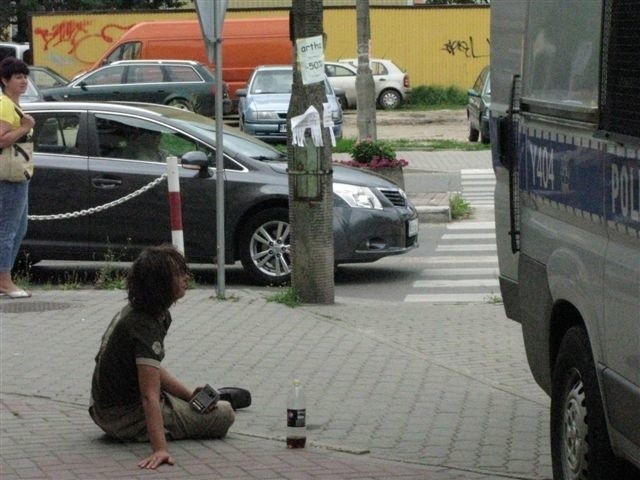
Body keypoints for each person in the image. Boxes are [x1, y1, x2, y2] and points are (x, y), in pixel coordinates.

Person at [89, 245, 249, 470]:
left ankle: (183, 408)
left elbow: (149, 370)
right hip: (122, 417)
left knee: (202, 403)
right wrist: (160, 449)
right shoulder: (144, 325)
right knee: (225, 414)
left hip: (103, 407)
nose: (185, 279)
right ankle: (160, 427)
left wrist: (187, 394)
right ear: (160, 284)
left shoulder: (139, 311)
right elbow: (149, 396)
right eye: (178, 275)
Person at [0, 57, 35, 298]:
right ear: (4, 80)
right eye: (17, 77)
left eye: (25, 76)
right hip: (9, 176)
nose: (23, 81)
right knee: (8, 229)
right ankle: (4, 280)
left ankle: (4, 276)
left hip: (20, 174)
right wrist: (24, 127)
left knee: (19, 228)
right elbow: (1, 139)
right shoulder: (4, 105)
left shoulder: (15, 104)